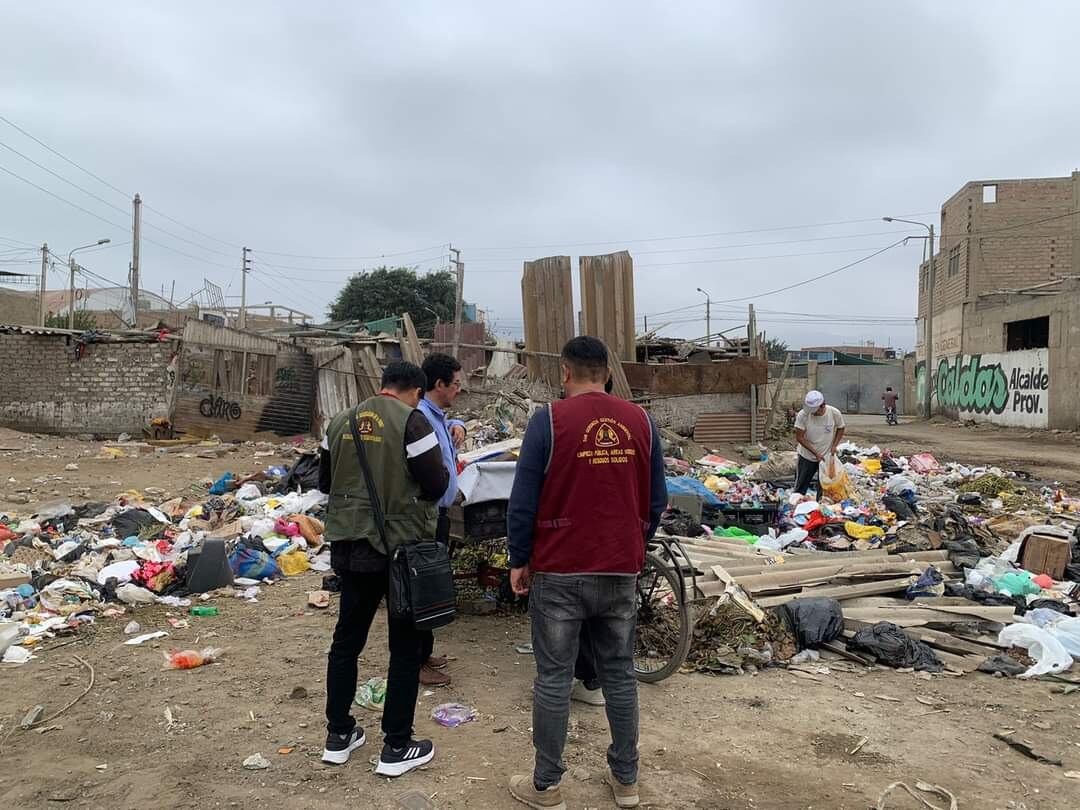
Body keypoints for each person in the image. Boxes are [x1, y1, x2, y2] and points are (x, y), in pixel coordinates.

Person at [506, 336, 668, 810]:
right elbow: (656, 499)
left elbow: (524, 499)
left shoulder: (549, 421)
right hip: (620, 567)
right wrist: (635, 540)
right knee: (618, 674)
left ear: (565, 373)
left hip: (559, 568)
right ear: (608, 373)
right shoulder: (642, 421)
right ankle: (626, 781)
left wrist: (520, 558)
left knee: (554, 677)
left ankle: (547, 785)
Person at [318, 361, 449, 776]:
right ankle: (396, 745)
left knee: (346, 642)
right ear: (416, 391)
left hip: (350, 549)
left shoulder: (339, 421)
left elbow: (323, 480)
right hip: (399, 552)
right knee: (405, 649)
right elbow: (436, 483)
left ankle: (339, 735)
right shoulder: (412, 422)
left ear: (383, 384)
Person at [415, 352, 468, 688]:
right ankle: (417, 661)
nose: (459, 390)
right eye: (456, 384)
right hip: (426, 517)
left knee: (433, 587)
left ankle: (425, 652)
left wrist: (457, 425)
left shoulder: (434, 415)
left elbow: (443, 426)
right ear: (439, 384)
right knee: (423, 589)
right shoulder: (419, 416)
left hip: (439, 515)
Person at [793, 390, 846, 497]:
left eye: (814, 410)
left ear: (822, 406)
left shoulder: (834, 413)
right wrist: (815, 453)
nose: (812, 413)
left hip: (826, 456)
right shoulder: (803, 415)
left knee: (824, 486)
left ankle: (820, 507)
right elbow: (799, 437)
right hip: (806, 456)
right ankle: (796, 506)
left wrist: (834, 445)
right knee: (801, 485)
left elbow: (841, 427)